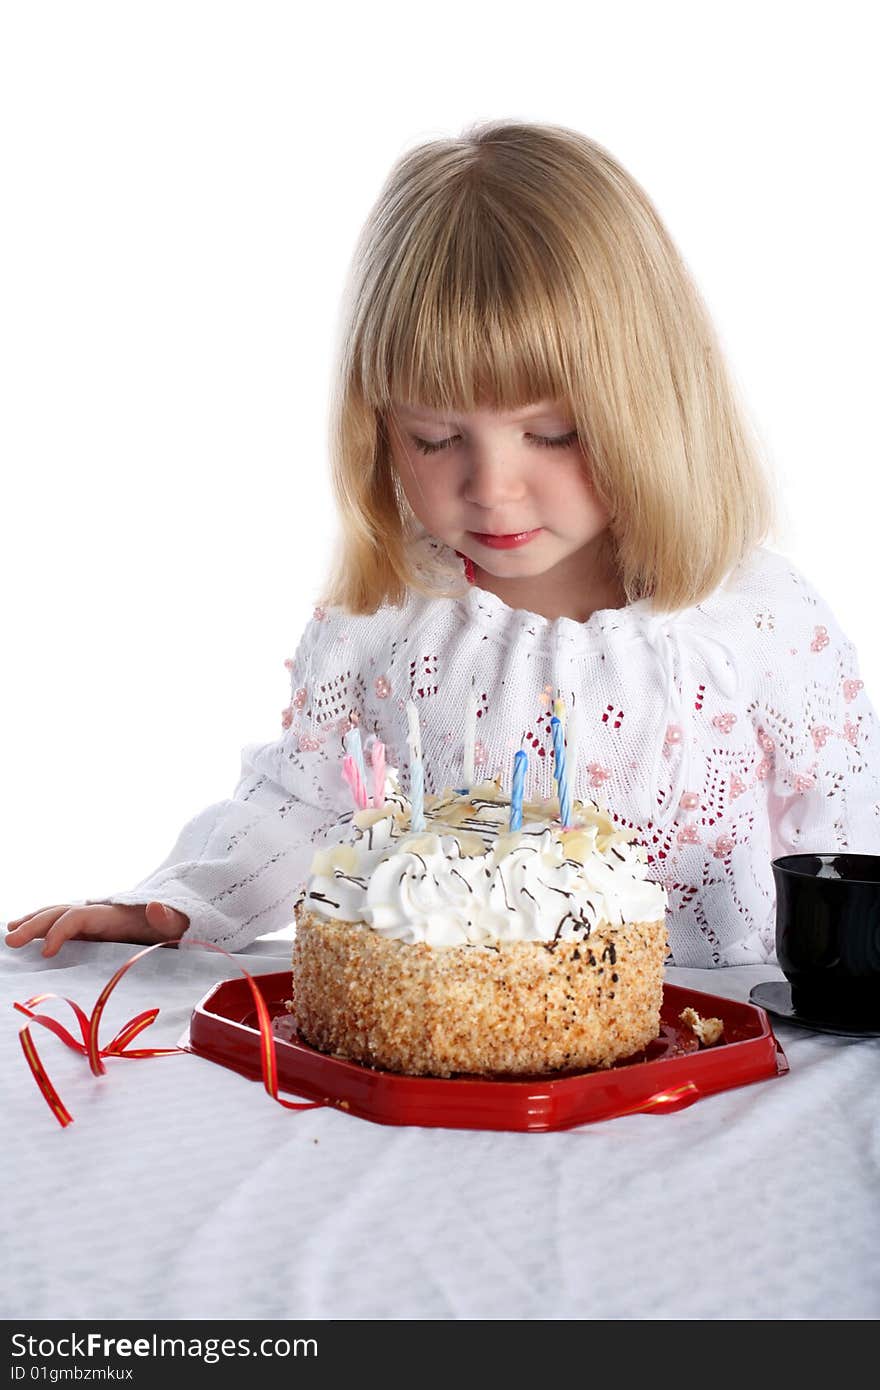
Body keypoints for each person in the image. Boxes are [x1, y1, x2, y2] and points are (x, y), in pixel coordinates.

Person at [6, 120, 880, 968]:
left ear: (655, 407)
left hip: (710, 1063)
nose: (492, 486)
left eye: (553, 435)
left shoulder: (755, 623)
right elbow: (302, 801)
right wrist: (180, 900)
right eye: (433, 438)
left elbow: (850, 828)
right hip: (457, 1070)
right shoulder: (391, 616)